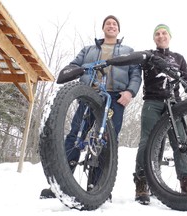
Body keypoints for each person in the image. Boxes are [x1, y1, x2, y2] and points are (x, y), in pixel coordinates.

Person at [40, 15, 142, 199]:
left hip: (115, 98)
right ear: (103, 28)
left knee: (107, 140)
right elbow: (73, 66)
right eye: (108, 24)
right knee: (75, 135)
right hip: (89, 95)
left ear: (118, 30)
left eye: (114, 24)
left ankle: (100, 187)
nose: (111, 26)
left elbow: (136, 74)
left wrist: (130, 93)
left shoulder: (128, 51)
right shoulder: (88, 49)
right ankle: (62, 183)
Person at [133, 24, 187, 205]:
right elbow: (137, 61)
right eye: (157, 34)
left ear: (170, 36)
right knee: (147, 141)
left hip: (174, 103)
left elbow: (186, 77)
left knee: (181, 142)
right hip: (152, 102)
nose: (161, 36)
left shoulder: (179, 58)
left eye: (164, 33)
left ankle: (186, 183)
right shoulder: (149, 55)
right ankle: (142, 182)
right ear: (154, 38)